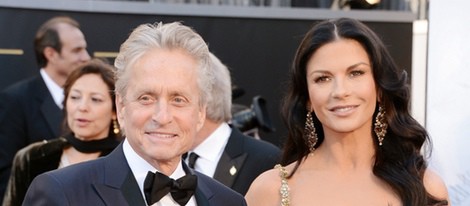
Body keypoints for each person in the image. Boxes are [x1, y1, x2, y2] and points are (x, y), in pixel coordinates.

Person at [23, 22, 247, 206]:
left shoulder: (229, 202)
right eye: (146, 98)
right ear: (121, 107)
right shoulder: (63, 193)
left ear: (200, 113)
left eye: (178, 100)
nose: (162, 116)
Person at [245, 18, 450, 206]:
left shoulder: (424, 187)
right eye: (323, 78)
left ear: (379, 88)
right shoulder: (270, 191)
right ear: (307, 97)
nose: (340, 91)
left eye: (355, 73)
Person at [2, 58, 121, 206]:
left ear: (115, 110)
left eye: (95, 99)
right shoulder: (32, 157)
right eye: (75, 97)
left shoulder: (125, 161)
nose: (82, 107)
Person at [0, 16, 90, 201]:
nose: (86, 57)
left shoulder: (92, 99)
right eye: (77, 50)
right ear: (51, 54)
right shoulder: (16, 100)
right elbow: (6, 177)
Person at [185, 53, 281, 195]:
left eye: (176, 97)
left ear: (206, 98)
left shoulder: (267, 160)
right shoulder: (163, 159)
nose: (161, 111)